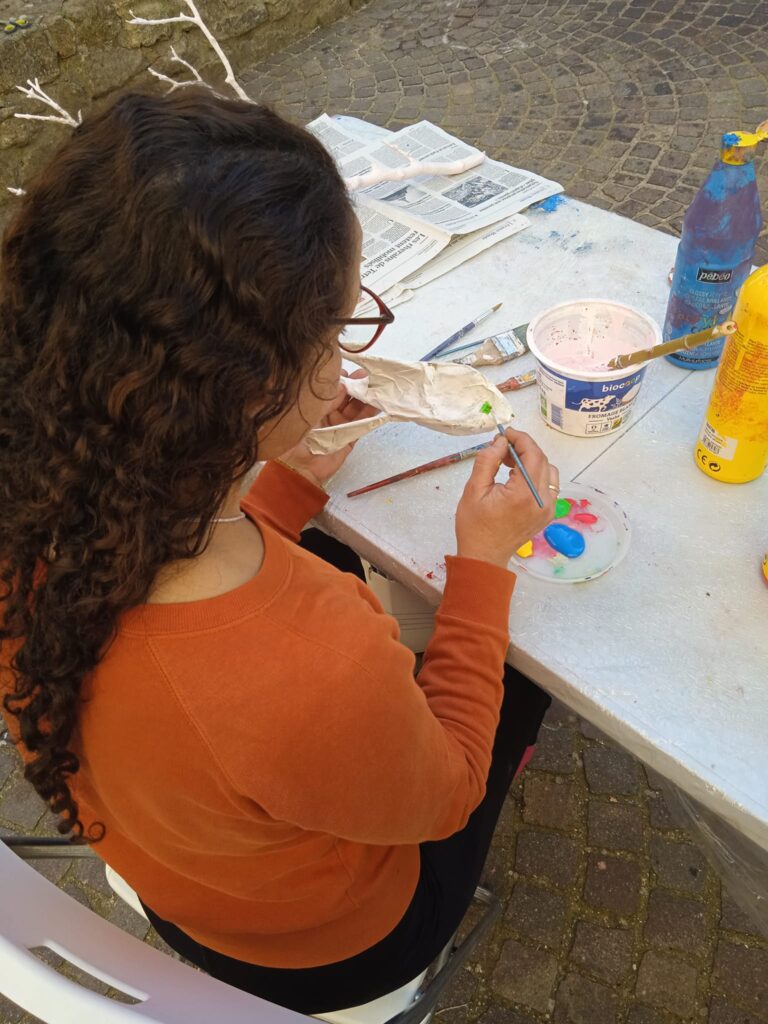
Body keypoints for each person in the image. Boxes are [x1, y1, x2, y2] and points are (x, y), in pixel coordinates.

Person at [0, 89, 558, 1014]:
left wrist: (285, 480)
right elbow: (451, 787)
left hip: (180, 878)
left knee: (343, 572)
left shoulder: (42, 496)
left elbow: (182, 643)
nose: (343, 364)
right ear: (248, 388)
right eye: (336, 333)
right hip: (334, 947)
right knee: (530, 674)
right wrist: (485, 564)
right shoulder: (318, 662)